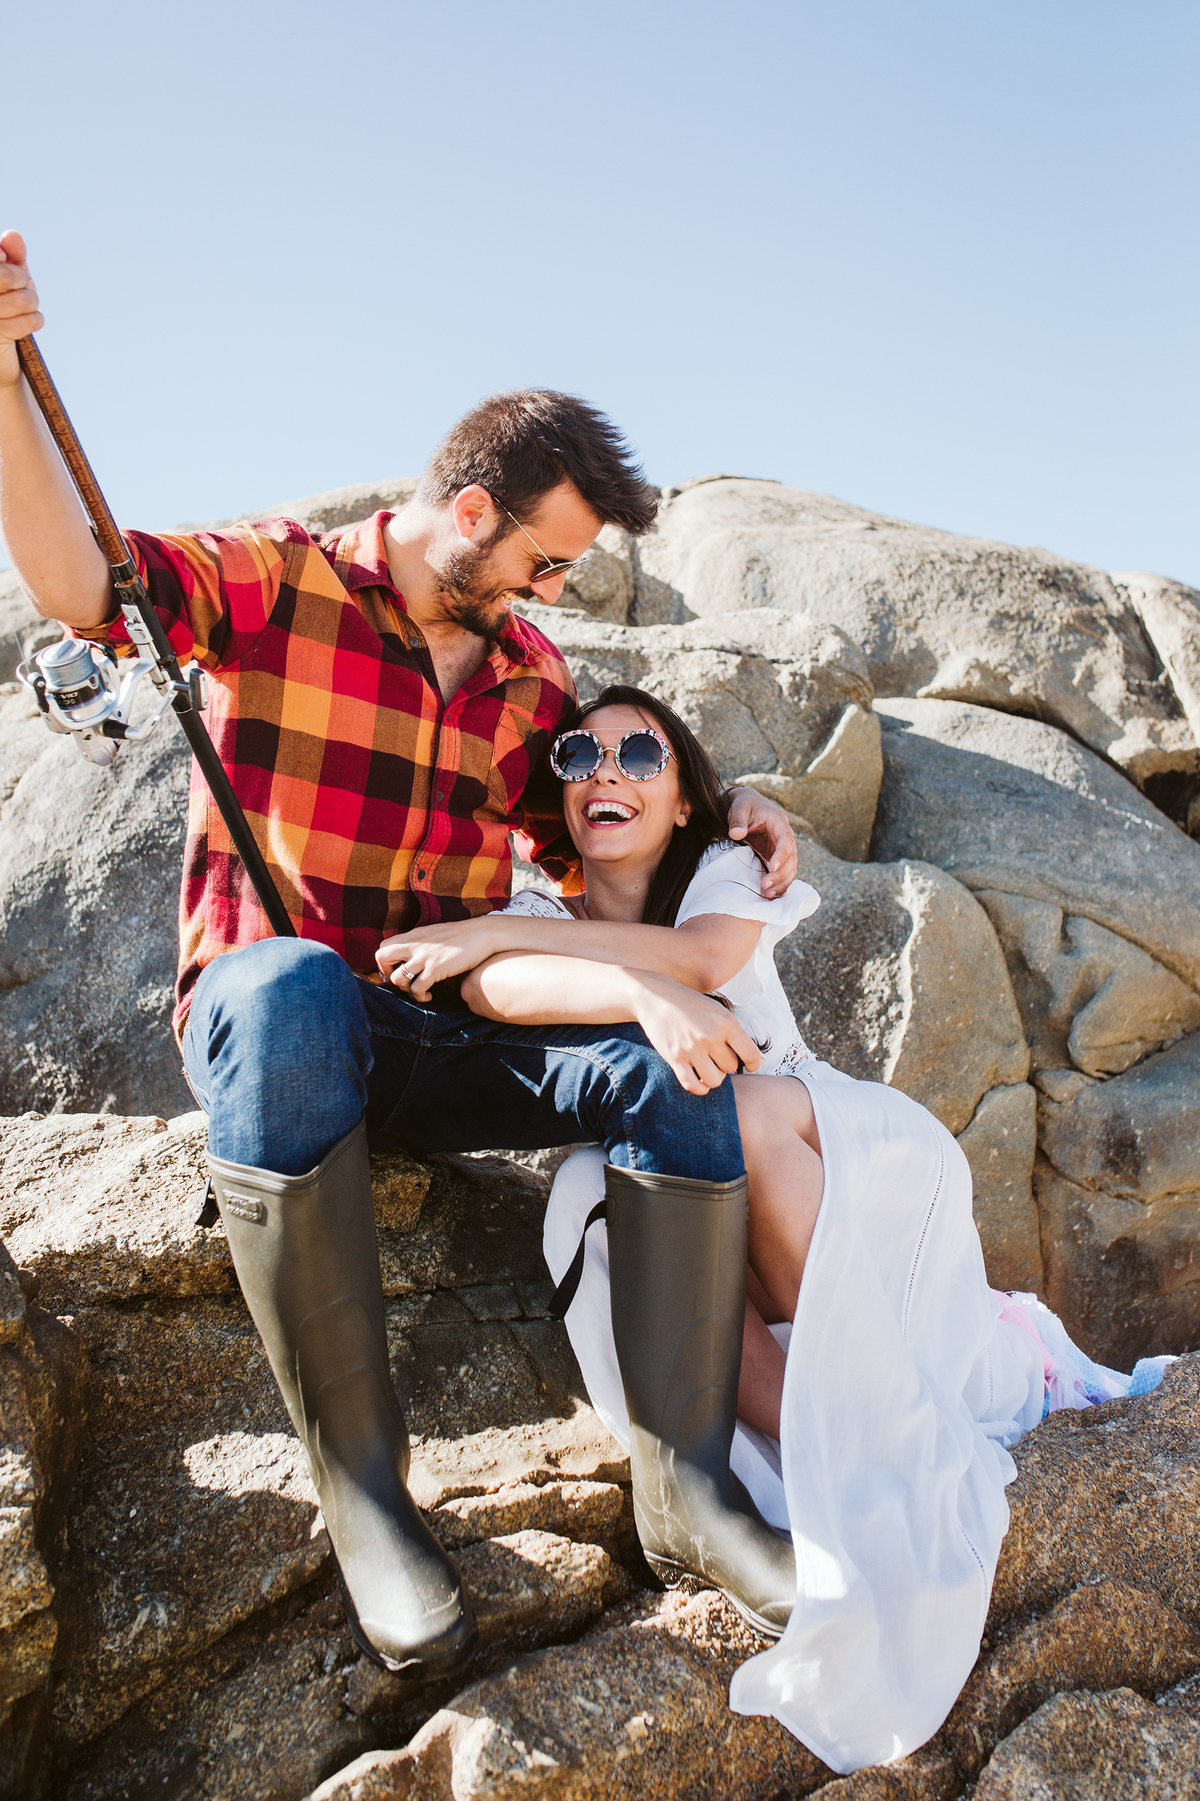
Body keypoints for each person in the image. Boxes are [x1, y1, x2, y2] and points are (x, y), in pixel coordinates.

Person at [0, 230, 801, 1682]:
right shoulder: (277, 578)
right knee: (300, 983)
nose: (551, 590)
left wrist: (731, 804)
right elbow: (81, 590)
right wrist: (0, 379)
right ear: (472, 507)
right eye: (543, 557)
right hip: (281, 1020)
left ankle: (687, 1488)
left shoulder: (531, 678)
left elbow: (606, 876)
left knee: (666, 1057)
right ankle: (367, 1498)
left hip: (437, 1036)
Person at [386, 683, 1178, 1774]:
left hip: (832, 1144)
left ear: (681, 800)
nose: (605, 770)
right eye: (580, 753)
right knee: (591, 1200)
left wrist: (497, 934)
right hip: (686, 1170)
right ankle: (840, 1464)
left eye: (639, 754)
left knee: (738, 1110)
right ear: (560, 794)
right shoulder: (540, 905)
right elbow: (507, 990)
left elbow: (708, 963)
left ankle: (893, 1418)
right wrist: (534, 951)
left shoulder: (720, 866)